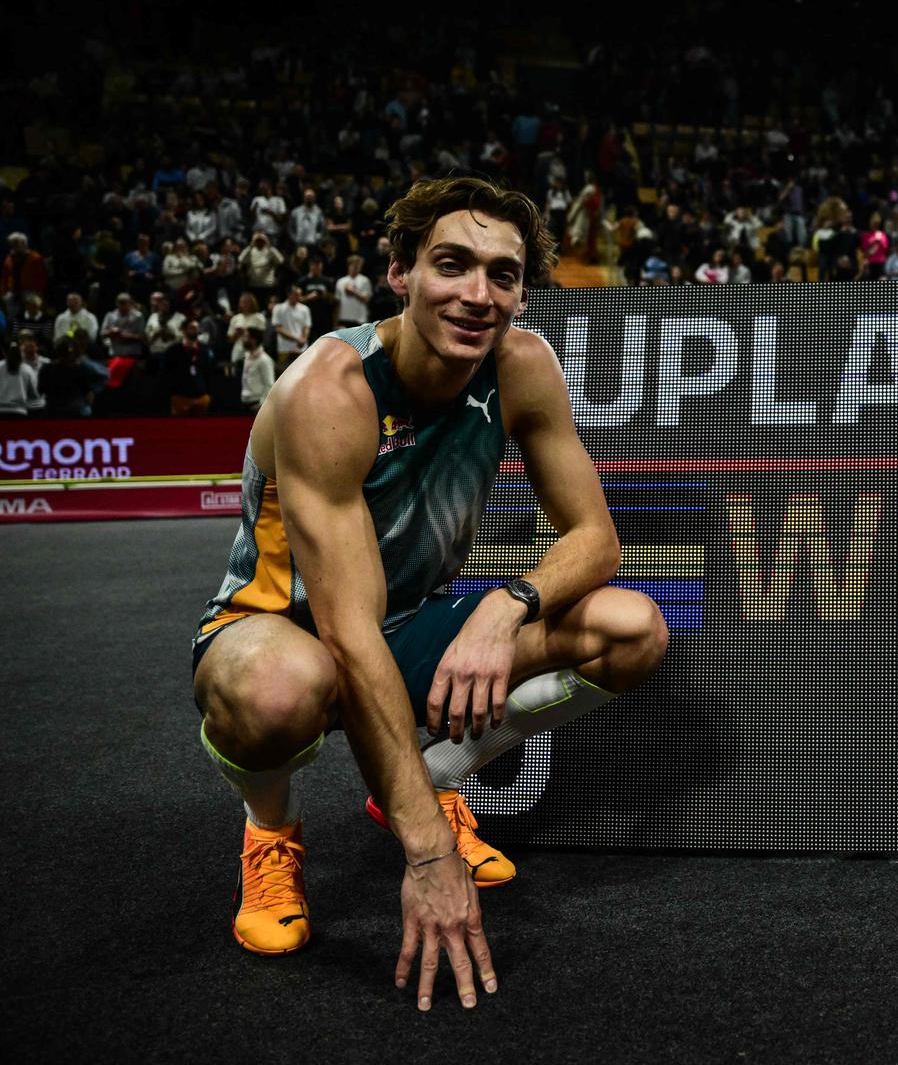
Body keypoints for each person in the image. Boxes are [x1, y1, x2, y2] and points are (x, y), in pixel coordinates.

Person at [190, 176, 667, 1010]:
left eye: (503, 274)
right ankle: (271, 832)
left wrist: (503, 604)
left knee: (630, 629)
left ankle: (431, 778)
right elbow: (345, 632)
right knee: (280, 691)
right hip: (276, 628)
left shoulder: (523, 367)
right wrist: (427, 858)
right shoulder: (328, 392)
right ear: (401, 271)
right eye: (452, 264)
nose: (477, 294)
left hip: (409, 623)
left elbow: (595, 538)